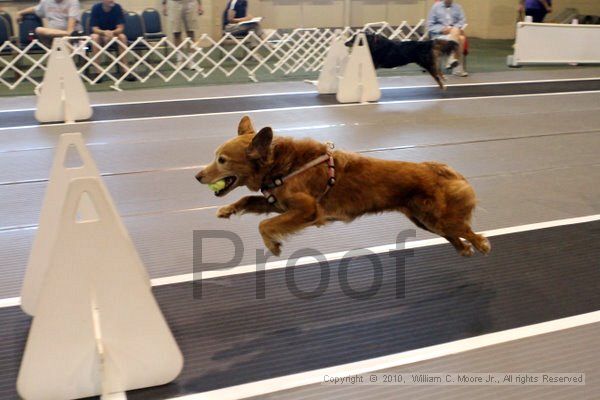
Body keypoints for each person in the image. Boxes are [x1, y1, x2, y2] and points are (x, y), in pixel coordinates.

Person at [89, 0, 134, 81]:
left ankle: (125, 70)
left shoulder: (117, 7)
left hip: (114, 34)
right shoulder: (96, 8)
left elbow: (120, 28)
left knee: (123, 37)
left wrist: (111, 33)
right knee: (94, 37)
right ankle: (97, 71)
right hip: (100, 34)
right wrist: (104, 33)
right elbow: (94, 28)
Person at [427, 0, 468, 77]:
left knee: (458, 33)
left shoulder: (458, 7)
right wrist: (442, 29)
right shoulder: (435, 7)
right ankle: (455, 66)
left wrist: (452, 29)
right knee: (461, 38)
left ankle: (451, 59)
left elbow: (462, 21)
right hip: (440, 34)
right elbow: (430, 25)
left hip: (454, 32)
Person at [17, 0, 82, 46]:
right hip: (54, 36)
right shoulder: (46, 1)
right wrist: (20, 12)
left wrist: (68, 34)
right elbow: (34, 9)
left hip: (69, 38)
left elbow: (70, 29)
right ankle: (51, 51)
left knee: (65, 39)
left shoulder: (73, 2)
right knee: (39, 30)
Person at [162, 0, 203, 69]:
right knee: (176, 33)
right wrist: (164, 4)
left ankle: (191, 61)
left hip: (190, 2)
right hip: (174, 2)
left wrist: (200, 4)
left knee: (191, 32)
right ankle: (179, 60)